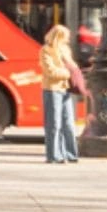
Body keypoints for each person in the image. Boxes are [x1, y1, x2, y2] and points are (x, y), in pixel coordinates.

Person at [38, 24, 82, 164]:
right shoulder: (46, 50)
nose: (68, 40)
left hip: (65, 89)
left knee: (68, 123)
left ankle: (70, 154)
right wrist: (68, 74)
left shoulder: (66, 50)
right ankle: (53, 155)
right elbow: (50, 71)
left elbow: (73, 66)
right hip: (52, 90)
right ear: (58, 37)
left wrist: (75, 72)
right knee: (54, 124)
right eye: (66, 37)